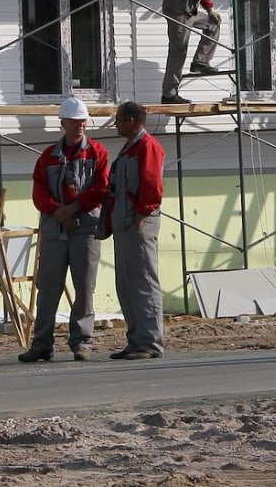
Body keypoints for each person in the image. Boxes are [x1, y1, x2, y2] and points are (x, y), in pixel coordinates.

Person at [19, 96, 109, 363]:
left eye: (83, 121)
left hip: (85, 229)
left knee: (84, 287)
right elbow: (39, 192)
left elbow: (101, 188)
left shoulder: (97, 153)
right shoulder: (48, 157)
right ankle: (42, 344)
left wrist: (74, 209)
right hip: (55, 230)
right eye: (75, 122)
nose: (80, 126)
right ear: (63, 123)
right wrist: (59, 212)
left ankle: (82, 341)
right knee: (48, 287)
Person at [106, 101, 167, 359]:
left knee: (143, 281)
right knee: (127, 283)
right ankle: (136, 339)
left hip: (139, 223)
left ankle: (150, 342)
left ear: (131, 120)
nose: (116, 123)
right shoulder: (129, 148)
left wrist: (142, 214)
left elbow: (152, 185)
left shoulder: (147, 146)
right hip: (124, 223)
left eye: (118, 119)